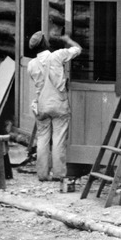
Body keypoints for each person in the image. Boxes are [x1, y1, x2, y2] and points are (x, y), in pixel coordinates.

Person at [27, 29, 82, 182]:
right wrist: (68, 40)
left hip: (41, 105)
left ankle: (42, 174)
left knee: (43, 139)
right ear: (44, 43)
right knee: (58, 138)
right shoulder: (58, 55)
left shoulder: (31, 65)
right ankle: (58, 174)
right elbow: (78, 49)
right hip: (58, 103)